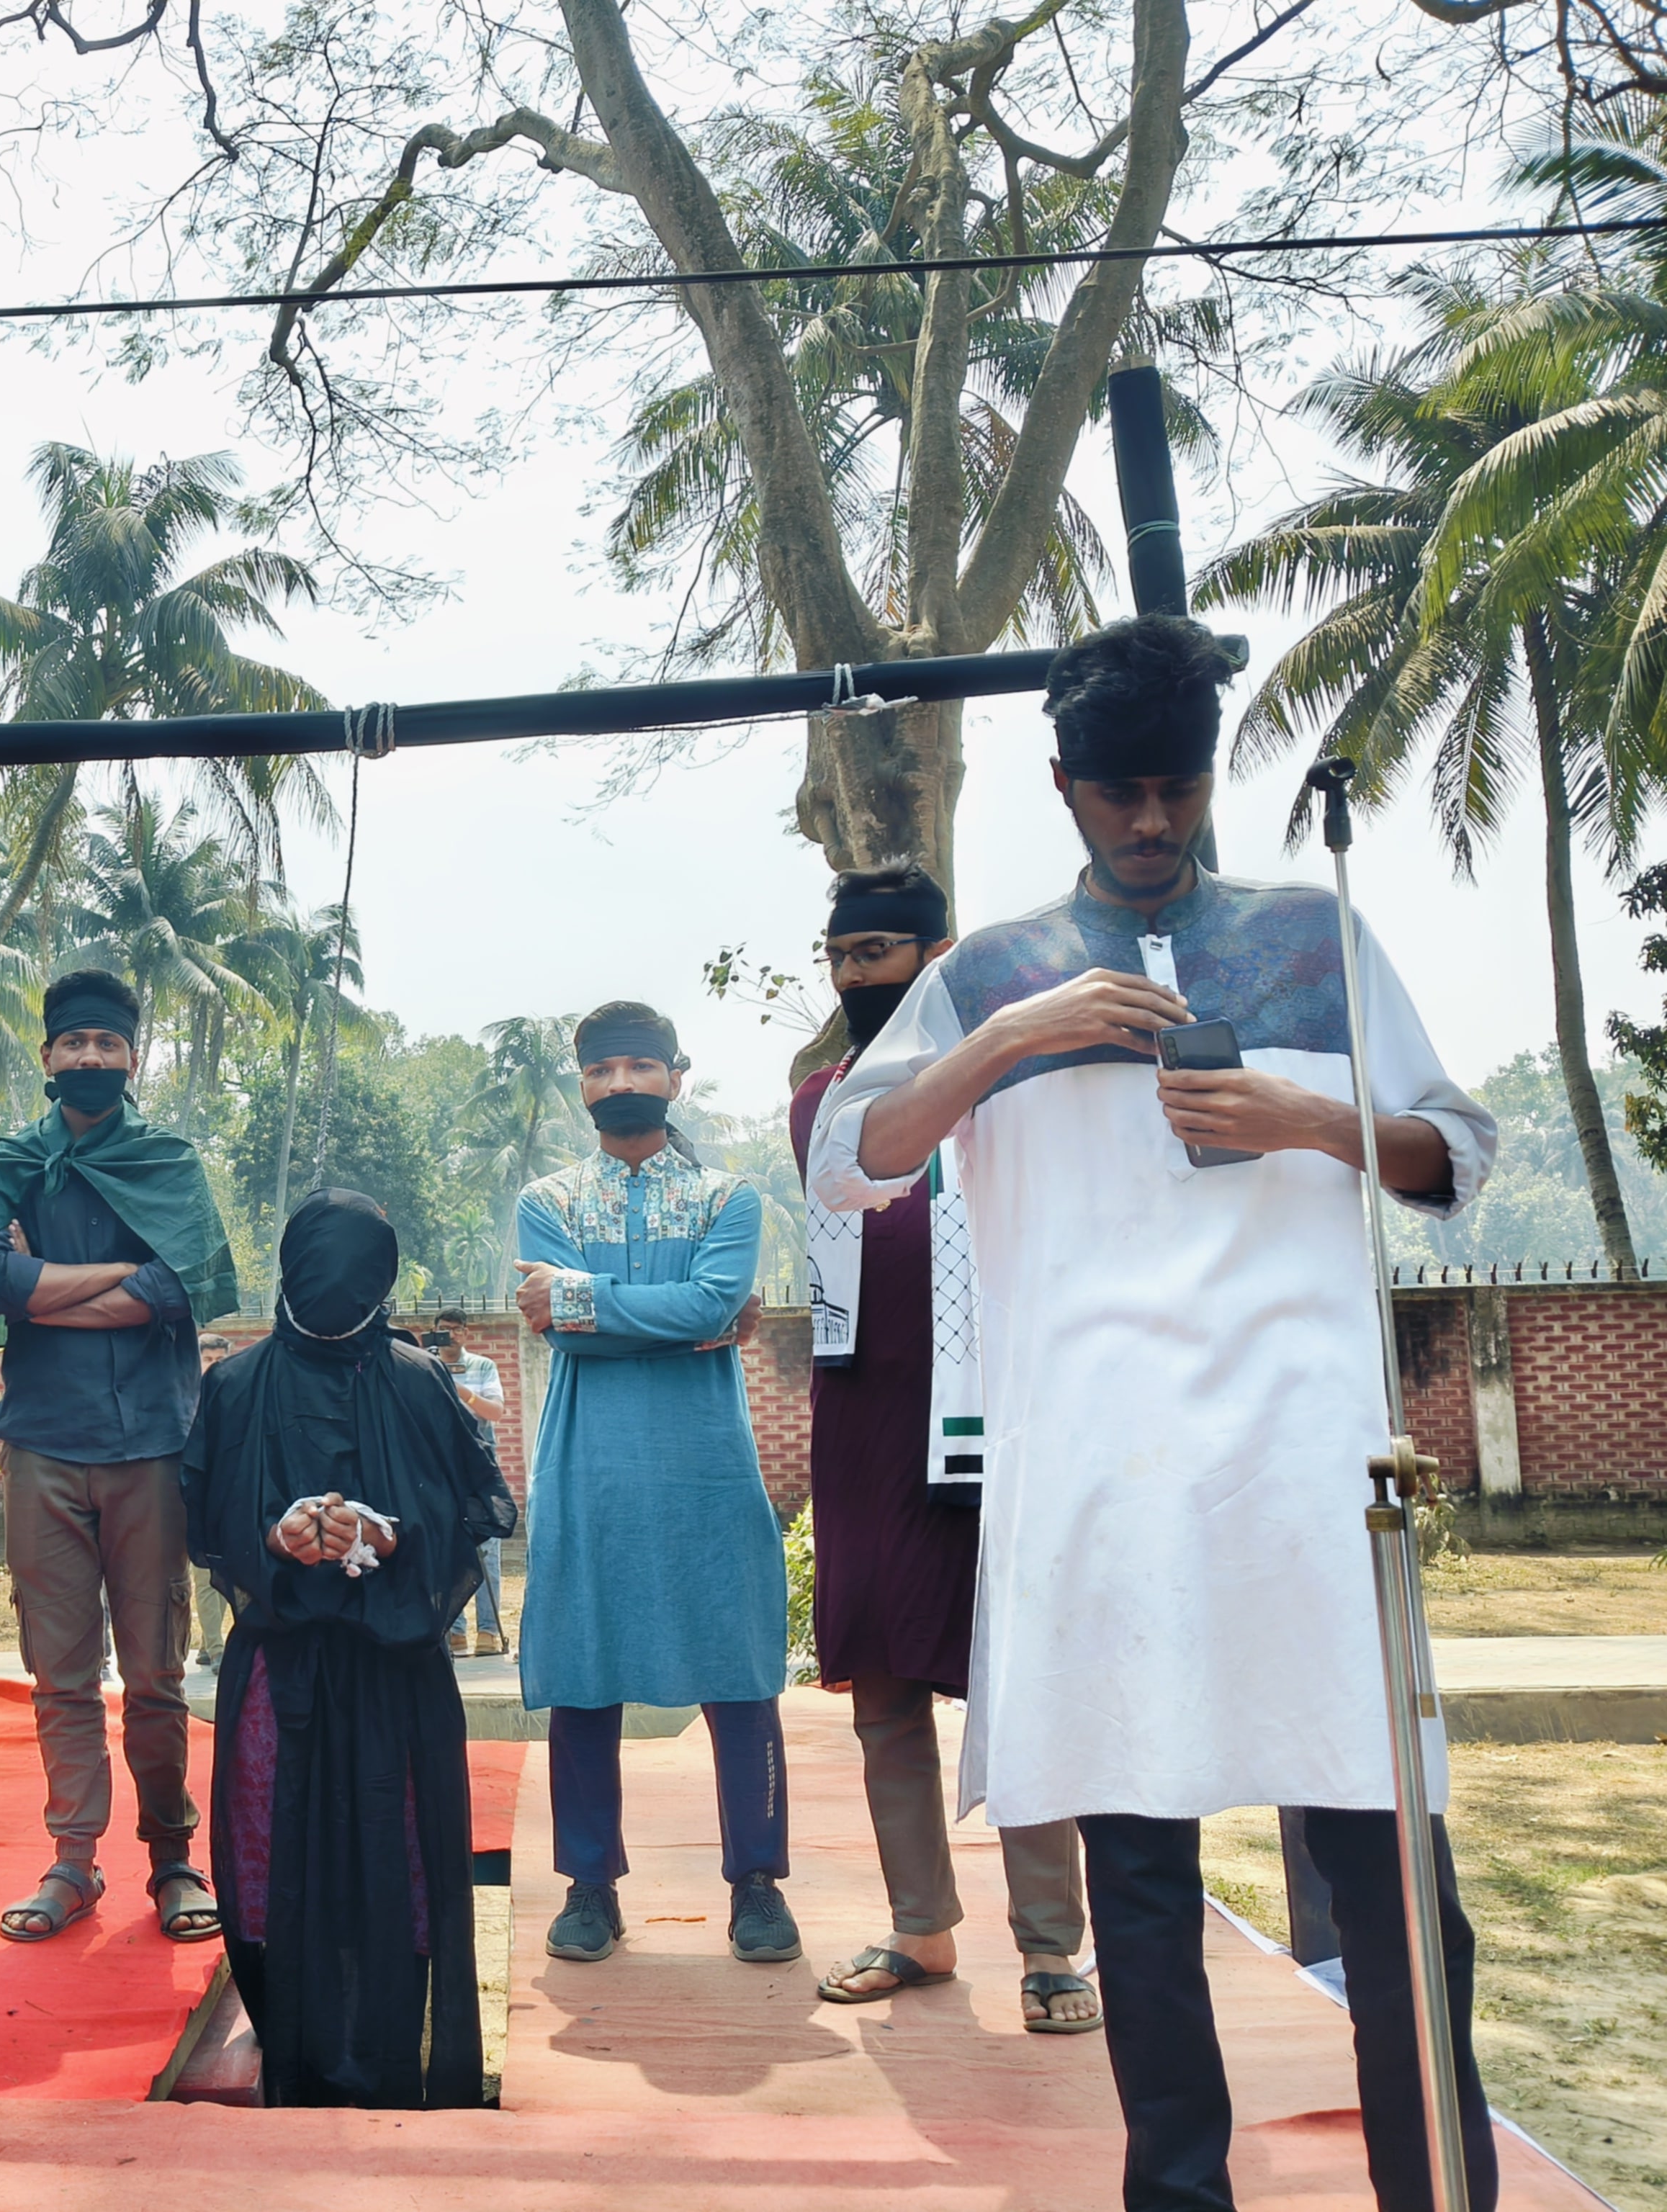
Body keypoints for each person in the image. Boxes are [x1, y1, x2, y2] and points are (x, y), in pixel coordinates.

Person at [809, 613, 1504, 2212]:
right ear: (1061, 787)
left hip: (1304, 1475)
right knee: (1137, 1890)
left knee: (1392, 1878)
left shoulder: (1308, 935)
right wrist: (1002, 1040)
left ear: (1205, 782)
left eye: (1176, 789)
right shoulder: (988, 970)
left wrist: (1315, 1120)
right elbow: (853, 1161)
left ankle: (1436, 2194)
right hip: (1101, 1484)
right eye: (1118, 791)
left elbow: (1453, 1149)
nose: (1149, 822)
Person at [788, 860, 1095, 2032]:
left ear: (935, 950)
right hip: (866, 1412)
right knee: (883, 1680)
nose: (858, 972)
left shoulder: (1019, 1081)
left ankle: (1052, 1949)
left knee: (1015, 1682)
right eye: (842, 954)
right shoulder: (824, 1094)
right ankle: (920, 1928)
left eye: (880, 951)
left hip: (1000, 1408)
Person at [184, 1190, 515, 2108]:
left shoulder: (417, 1382)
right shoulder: (235, 1385)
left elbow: (474, 1512)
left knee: (391, 1856)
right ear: (286, 1273)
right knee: (268, 1850)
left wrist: (394, 1535)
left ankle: (377, 2051)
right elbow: (205, 1522)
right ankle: (286, 2035)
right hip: (278, 1669)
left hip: (391, 1668)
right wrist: (277, 1538)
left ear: (385, 1282)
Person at [515, 1002, 791, 1970]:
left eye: (641, 1065)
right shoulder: (547, 1199)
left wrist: (590, 1300)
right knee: (585, 1671)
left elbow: (715, 1300)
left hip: (707, 1464)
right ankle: (590, 1886)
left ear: (678, 1075)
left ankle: (757, 1884)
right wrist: (681, 1314)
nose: (622, 1083)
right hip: (587, 1462)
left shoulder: (730, 1196)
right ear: (581, 1086)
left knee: (737, 1665)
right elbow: (559, 1321)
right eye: (602, 1070)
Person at [0, 971, 241, 1948]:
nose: (89, 1059)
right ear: (46, 1057)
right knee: (60, 1673)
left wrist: (42, 1288)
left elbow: (190, 1285)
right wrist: (118, 1276)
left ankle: (173, 1856)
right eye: (72, 1043)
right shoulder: (11, 1159)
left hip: (150, 1451)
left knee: (158, 1672)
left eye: (107, 1043)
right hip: (43, 1444)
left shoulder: (167, 1159)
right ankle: (73, 1860)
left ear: (134, 1056)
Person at [425, 1310, 508, 1658]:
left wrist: (459, 1392)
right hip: (440, 1466)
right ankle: (454, 1631)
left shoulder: (483, 1366)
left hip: (479, 1466)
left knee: (487, 1546)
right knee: (448, 1547)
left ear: (466, 1334)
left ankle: (488, 1631)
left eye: (457, 1331)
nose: (451, 1337)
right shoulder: (423, 1367)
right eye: (444, 1331)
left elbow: (495, 1412)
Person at [189, 1335, 236, 1669]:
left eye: (221, 1358)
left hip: (224, 1494)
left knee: (220, 1569)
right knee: (204, 1574)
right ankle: (218, 1649)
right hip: (189, 1495)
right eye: (208, 1358)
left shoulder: (233, 1395)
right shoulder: (185, 1397)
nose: (215, 1365)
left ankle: (208, 1644)